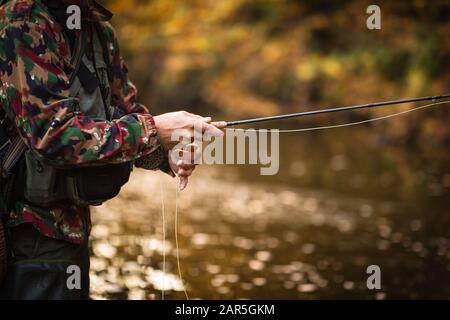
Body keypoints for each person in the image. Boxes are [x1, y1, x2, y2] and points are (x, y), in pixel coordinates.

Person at [0, 0, 223, 299]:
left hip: (74, 233)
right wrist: (153, 130)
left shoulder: (99, 31)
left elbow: (126, 114)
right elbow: (52, 135)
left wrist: (167, 153)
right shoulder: (21, 19)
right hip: (21, 236)